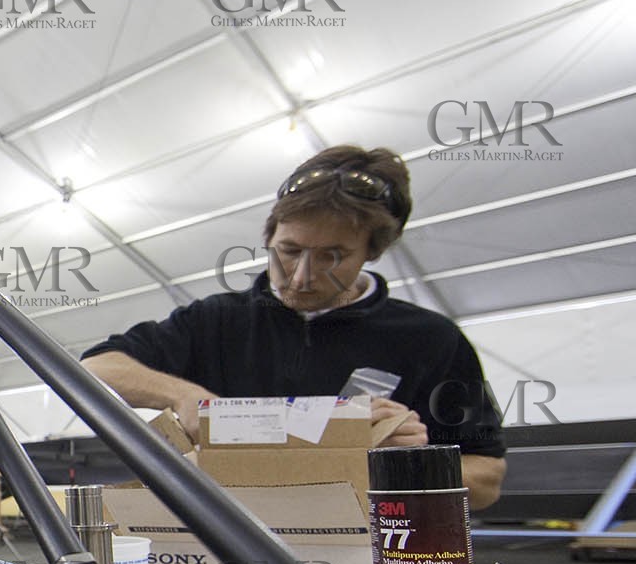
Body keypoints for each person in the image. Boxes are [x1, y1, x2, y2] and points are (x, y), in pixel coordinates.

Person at [81, 145, 505, 509]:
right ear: (269, 235)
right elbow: (95, 368)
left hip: (373, 558)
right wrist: (184, 396)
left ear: (373, 251)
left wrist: (409, 462)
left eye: (332, 256)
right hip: (228, 547)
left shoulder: (431, 339)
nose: (301, 276)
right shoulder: (215, 320)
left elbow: (487, 479)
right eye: (289, 250)